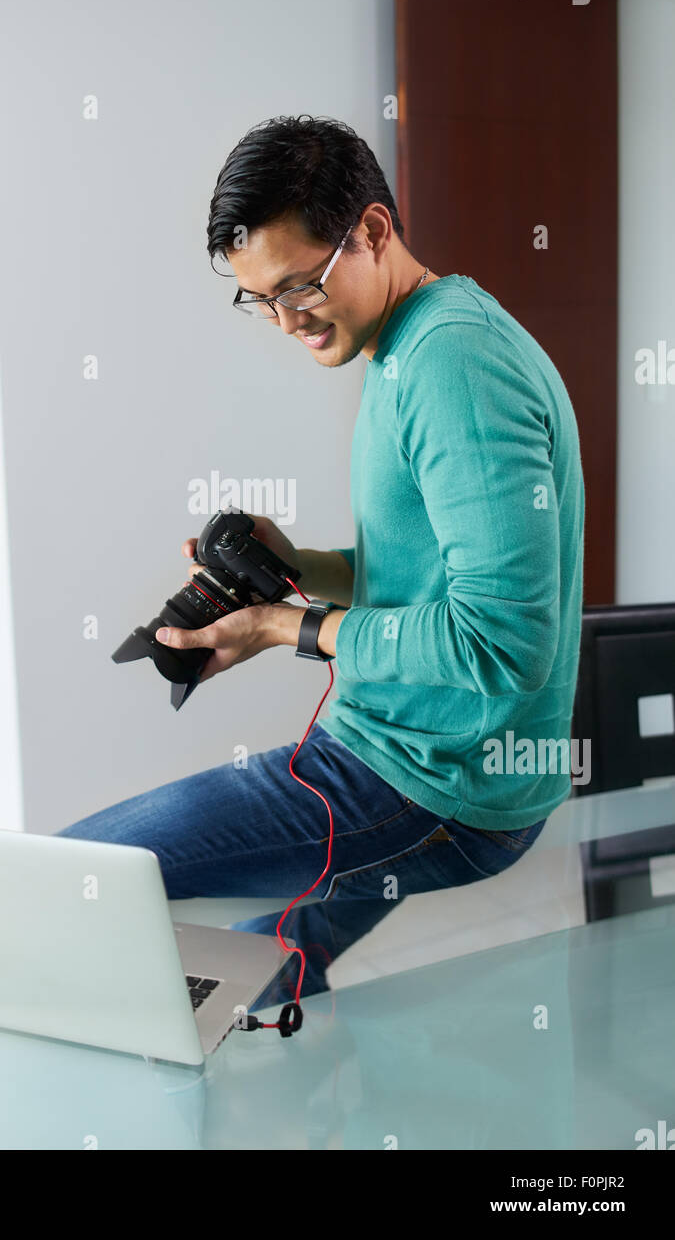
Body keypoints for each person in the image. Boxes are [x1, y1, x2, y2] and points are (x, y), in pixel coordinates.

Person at [57, 115, 585, 1011]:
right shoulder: (405, 346)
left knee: (74, 872)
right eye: (257, 299)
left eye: (299, 285)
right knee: (269, 964)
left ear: (373, 231)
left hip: (425, 779)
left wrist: (283, 626)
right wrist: (296, 565)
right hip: (431, 761)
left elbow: (501, 643)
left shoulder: (450, 365)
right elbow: (424, 577)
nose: (282, 319)